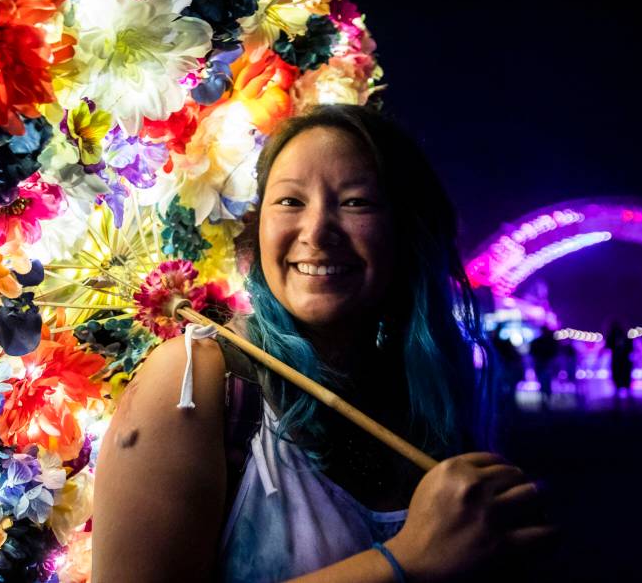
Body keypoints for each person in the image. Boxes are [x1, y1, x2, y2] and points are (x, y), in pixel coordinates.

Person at [91, 104, 555, 582]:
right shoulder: (197, 380)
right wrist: (404, 561)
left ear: (405, 228)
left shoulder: (426, 389)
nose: (316, 232)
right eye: (290, 202)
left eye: (356, 202)